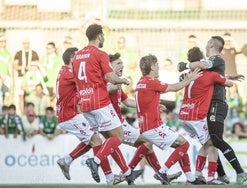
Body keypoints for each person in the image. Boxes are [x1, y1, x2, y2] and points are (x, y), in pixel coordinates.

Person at [71, 24, 143, 185]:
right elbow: (110, 78)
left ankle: (120, 174)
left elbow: (76, 81)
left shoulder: (76, 56)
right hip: (100, 102)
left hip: (85, 104)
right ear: (99, 36)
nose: (103, 38)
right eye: (103, 35)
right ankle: (95, 161)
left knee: (106, 140)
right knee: (118, 136)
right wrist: (124, 80)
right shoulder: (100, 53)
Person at [178, 36, 247, 184]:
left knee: (214, 140)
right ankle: (219, 175)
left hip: (217, 104)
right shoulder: (210, 69)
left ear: (211, 44)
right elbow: (210, 75)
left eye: (207, 42)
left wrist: (185, 65)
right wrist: (228, 76)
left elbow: (205, 68)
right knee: (210, 142)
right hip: (208, 106)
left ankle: (239, 172)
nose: (205, 45)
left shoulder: (217, 59)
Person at [107, 52, 182, 184]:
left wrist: (151, 106)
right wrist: (118, 82)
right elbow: (105, 89)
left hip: (120, 123)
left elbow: (128, 102)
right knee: (147, 141)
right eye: (118, 64)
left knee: (148, 145)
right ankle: (128, 173)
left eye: (122, 64)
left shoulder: (117, 85)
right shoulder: (109, 83)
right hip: (114, 124)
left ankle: (156, 174)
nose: (122, 66)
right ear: (109, 66)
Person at [55, 47, 124, 185]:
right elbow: (90, 81)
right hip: (69, 116)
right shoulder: (69, 73)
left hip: (71, 114)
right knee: (96, 140)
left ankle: (67, 160)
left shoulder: (64, 71)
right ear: (72, 59)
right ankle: (110, 177)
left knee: (93, 139)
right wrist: (112, 79)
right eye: (78, 57)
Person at [135, 54, 203, 185]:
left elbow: (143, 102)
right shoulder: (151, 82)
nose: (158, 68)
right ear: (152, 66)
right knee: (184, 144)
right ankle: (162, 172)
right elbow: (175, 88)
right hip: (153, 127)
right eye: (157, 65)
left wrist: (155, 106)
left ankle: (191, 178)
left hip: (147, 126)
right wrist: (190, 78)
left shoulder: (140, 82)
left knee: (181, 144)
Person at [13, 38, 40, 114]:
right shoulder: (18, 53)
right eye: (24, 43)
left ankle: (33, 113)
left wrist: (31, 68)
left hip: (31, 77)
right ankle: (22, 113)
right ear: (22, 44)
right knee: (20, 96)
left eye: (27, 43)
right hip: (21, 76)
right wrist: (23, 67)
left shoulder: (34, 53)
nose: (26, 45)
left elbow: (37, 64)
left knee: (31, 95)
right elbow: (15, 66)